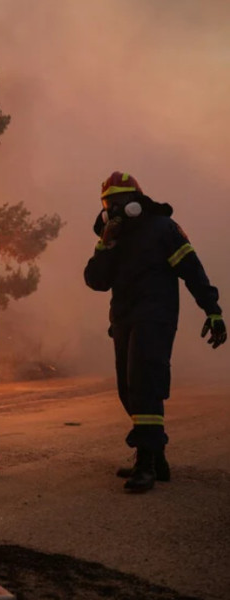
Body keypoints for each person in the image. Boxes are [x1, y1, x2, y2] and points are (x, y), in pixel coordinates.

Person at [84, 171, 226, 493]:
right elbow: (95, 281)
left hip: (156, 316)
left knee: (144, 383)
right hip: (124, 319)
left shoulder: (163, 228)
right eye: (108, 204)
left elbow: (192, 270)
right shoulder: (112, 238)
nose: (114, 209)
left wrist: (213, 310)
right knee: (127, 390)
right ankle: (156, 458)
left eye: (120, 201)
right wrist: (105, 244)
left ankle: (145, 464)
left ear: (136, 202)